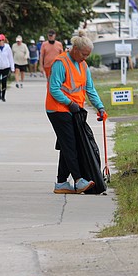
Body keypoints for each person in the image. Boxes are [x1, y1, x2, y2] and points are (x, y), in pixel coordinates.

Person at [46, 31, 107, 194]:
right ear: (75, 49)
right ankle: (79, 180)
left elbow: (90, 89)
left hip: (74, 110)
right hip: (58, 109)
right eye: (83, 54)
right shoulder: (61, 62)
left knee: (67, 144)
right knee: (71, 144)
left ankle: (61, 183)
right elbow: (54, 89)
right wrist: (69, 103)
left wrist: (100, 107)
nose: (85, 58)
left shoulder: (83, 65)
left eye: (88, 55)